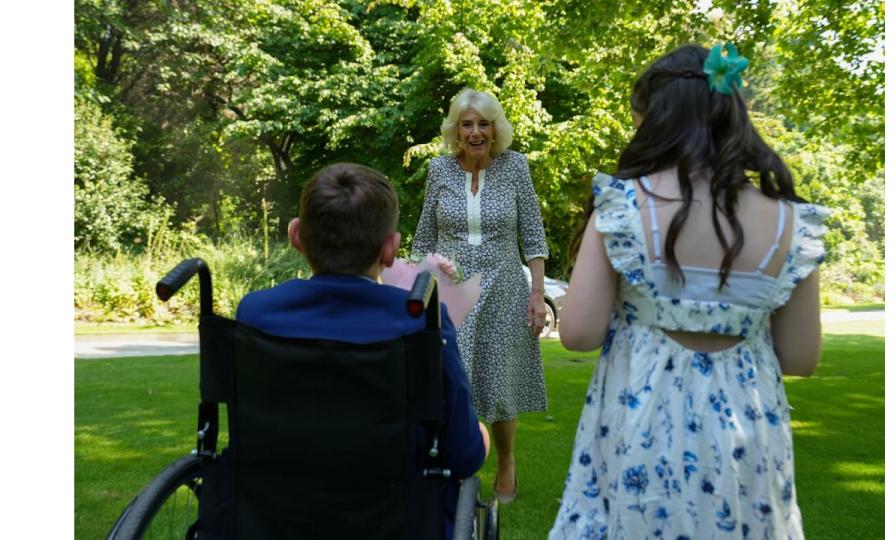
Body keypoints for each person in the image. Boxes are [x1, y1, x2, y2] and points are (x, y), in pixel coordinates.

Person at [549, 44, 830, 539]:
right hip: (747, 437)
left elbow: (578, 332)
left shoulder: (621, 206)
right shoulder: (791, 221)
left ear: (654, 119)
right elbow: (801, 357)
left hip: (639, 426)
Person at [236, 163, 490, 539]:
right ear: (390, 248)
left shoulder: (256, 314)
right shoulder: (419, 322)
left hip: (276, 520)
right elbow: (464, 455)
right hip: (396, 521)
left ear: (296, 236)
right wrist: (481, 436)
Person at [412, 88, 549, 503]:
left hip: (506, 286)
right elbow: (424, 237)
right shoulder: (439, 170)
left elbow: (534, 234)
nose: (475, 132)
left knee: (501, 379)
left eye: (483, 124)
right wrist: (416, 286)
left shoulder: (515, 167)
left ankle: (506, 461)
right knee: (453, 380)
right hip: (455, 290)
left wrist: (538, 294)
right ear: (456, 130)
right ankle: (458, 464)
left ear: (495, 129)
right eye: (467, 124)